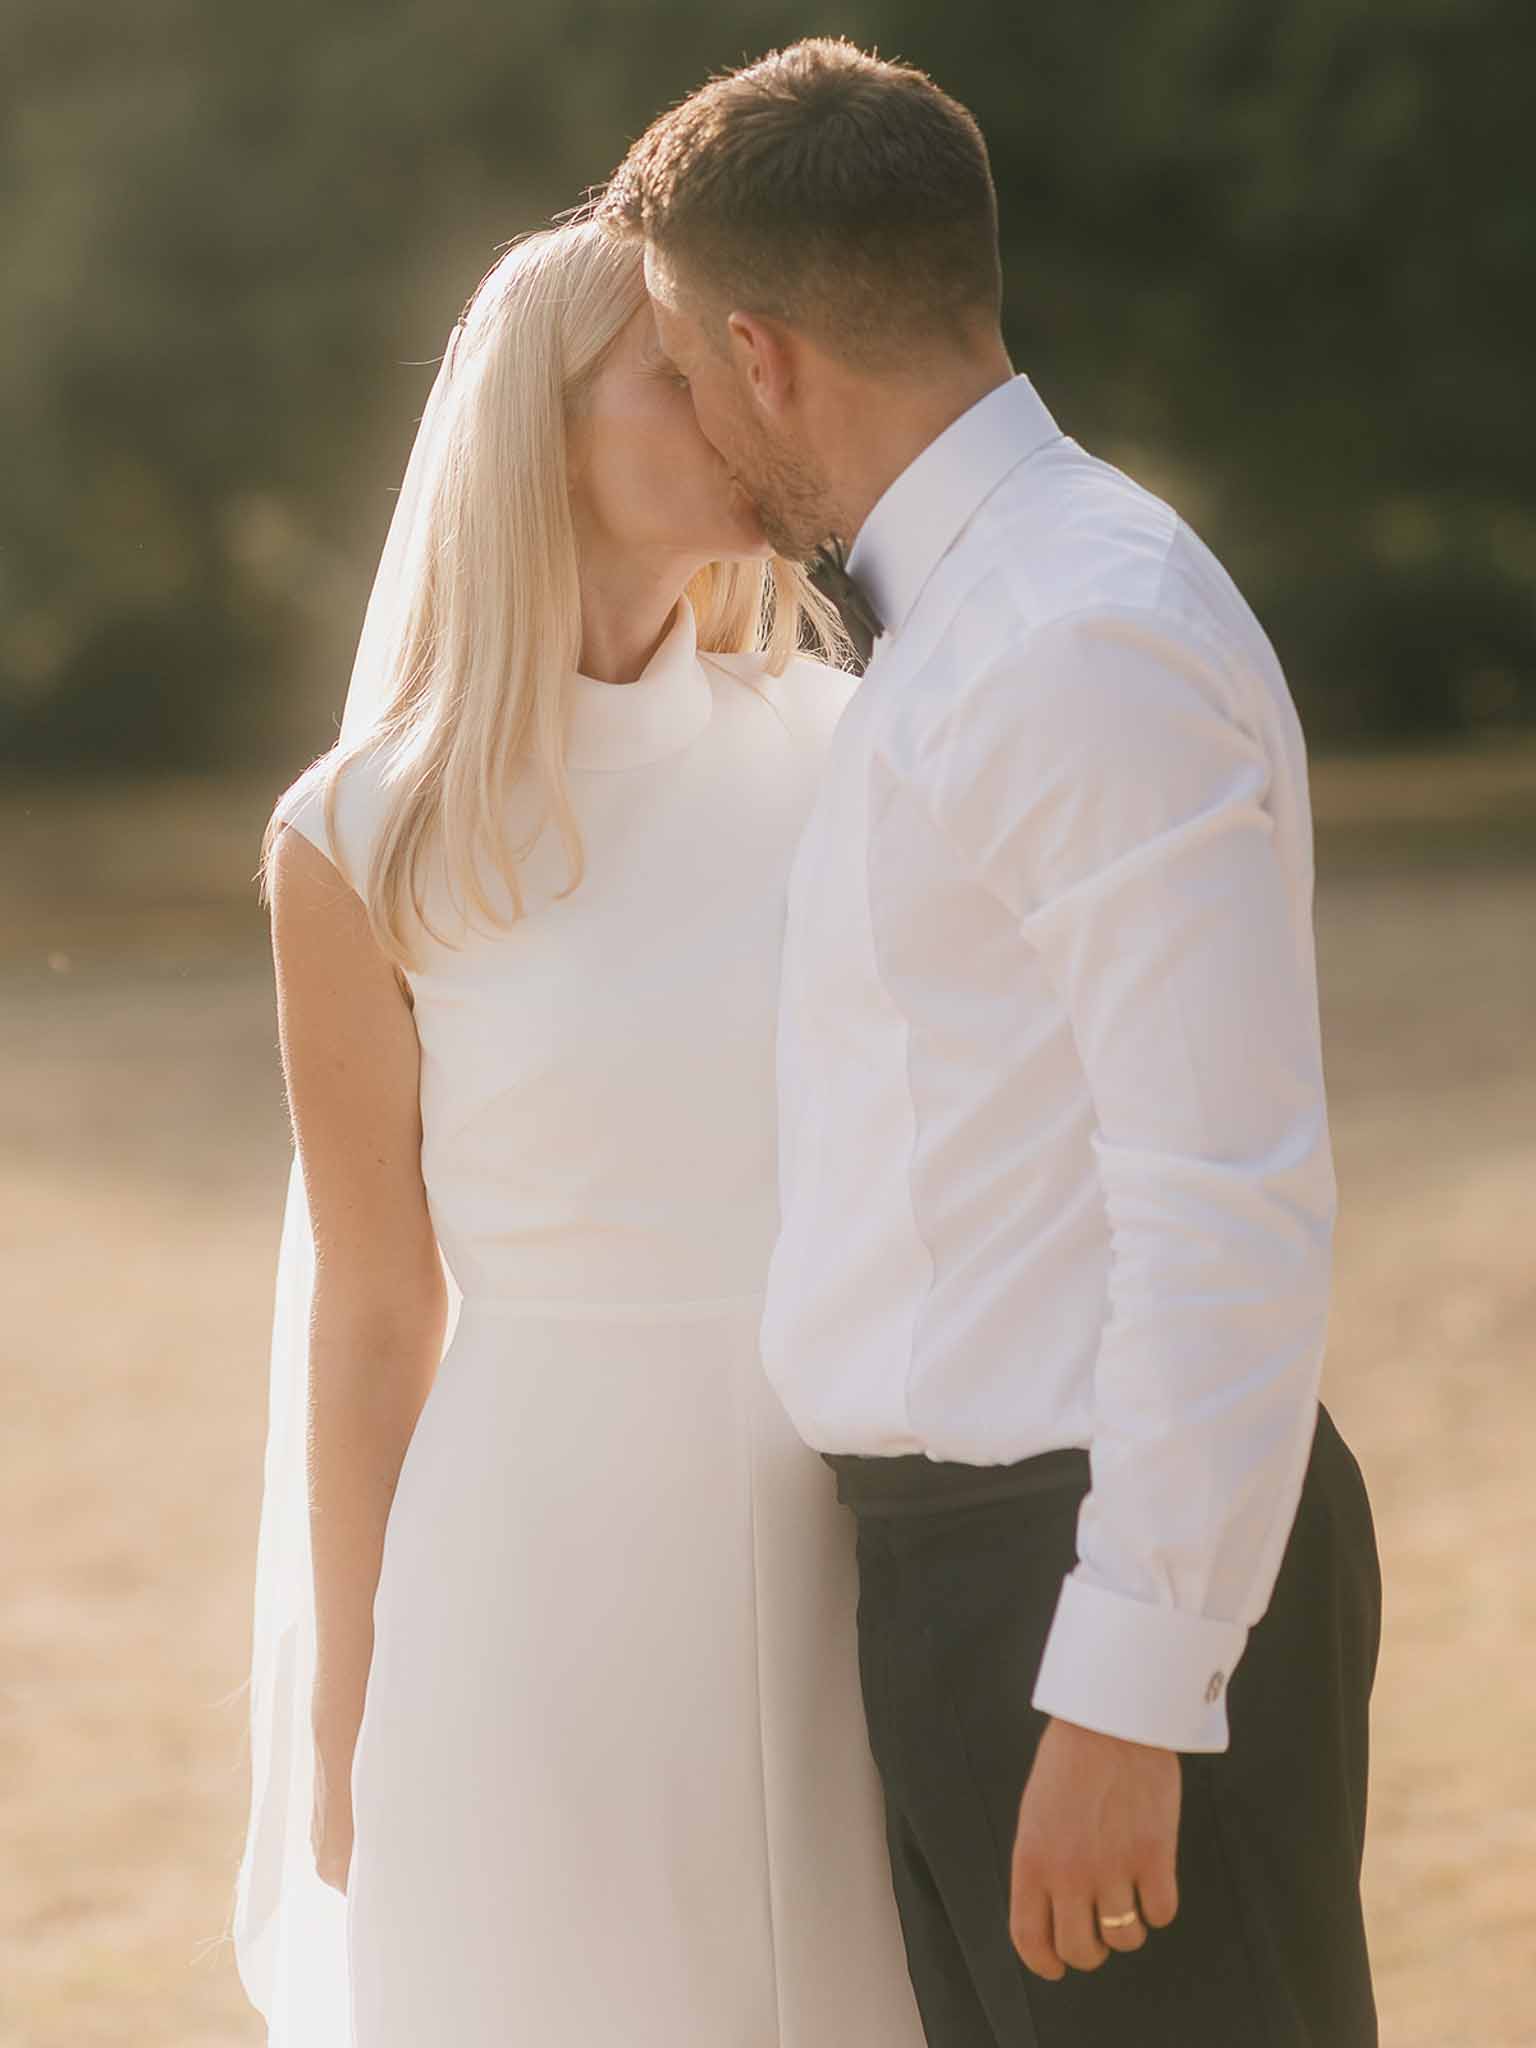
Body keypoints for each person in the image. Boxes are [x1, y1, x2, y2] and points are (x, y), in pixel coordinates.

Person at [600, 36, 1383, 2048]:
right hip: (980, 1582)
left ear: (764, 358)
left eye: (684, 359)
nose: (684, 406)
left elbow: (1224, 1194)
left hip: (1092, 1581)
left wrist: (1128, 1682)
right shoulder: (975, 621)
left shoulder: (1076, 640)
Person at [229, 215, 930, 2048]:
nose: (738, 406)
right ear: (535, 430)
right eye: (678, 372)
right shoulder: (359, 837)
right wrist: (348, 1705)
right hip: (529, 1575)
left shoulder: (849, 743)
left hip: (847, 1526)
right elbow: (378, 1314)